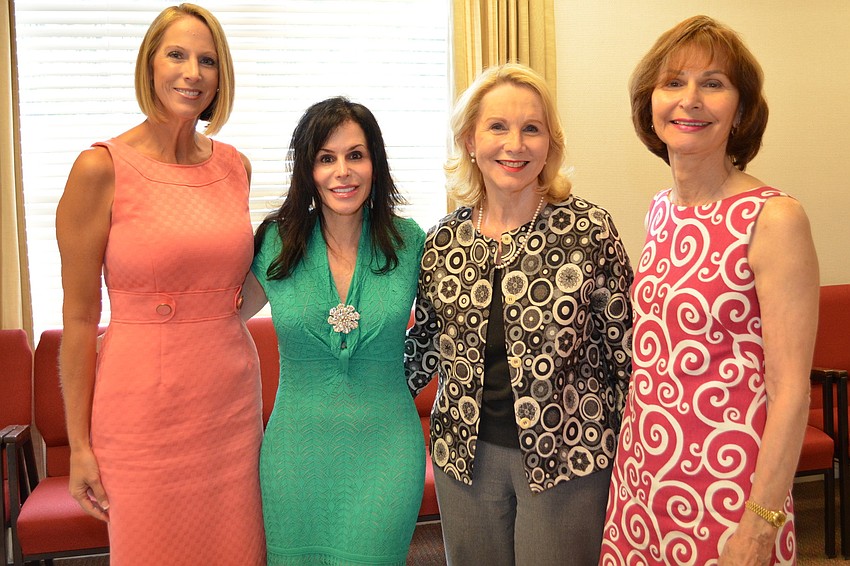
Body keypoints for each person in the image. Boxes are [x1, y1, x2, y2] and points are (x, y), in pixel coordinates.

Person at [600, 15, 819, 565]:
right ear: (650, 104)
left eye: (713, 84)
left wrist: (759, 527)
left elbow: (791, 390)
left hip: (729, 489)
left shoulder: (774, 218)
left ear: (741, 110)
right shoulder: (659, 209)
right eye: (672, 82)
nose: (689, 100)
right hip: (643, 479)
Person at [55, 4, 265, 564]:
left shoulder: (236, 166)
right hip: (141, 415)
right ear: (149, 65)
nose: (192, 72)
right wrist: (79, 447)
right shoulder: (100, 167)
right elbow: (78, 320)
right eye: (177, 54)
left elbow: (237, 291)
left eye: (207, 60)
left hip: (229, 405)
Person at [404, 63, 634, 566]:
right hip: (464, 456)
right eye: (497, 127)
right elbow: (421, 348)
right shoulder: (443, 240)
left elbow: (625, 354)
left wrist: (636, 455)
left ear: (550, 143)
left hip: (569, 453)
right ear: (468, 139)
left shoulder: (588, 230)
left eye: (532, 128)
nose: (516, 144)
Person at [240, 96, 426, 565]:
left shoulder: (411, 243)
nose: (342, 171)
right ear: (308, 169)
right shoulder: (275, 243)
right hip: (295, 457)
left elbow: (455, 329)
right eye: (326, 158)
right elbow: (218, 320)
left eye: (355, 155)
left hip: (387, 453)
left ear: (375, 164)